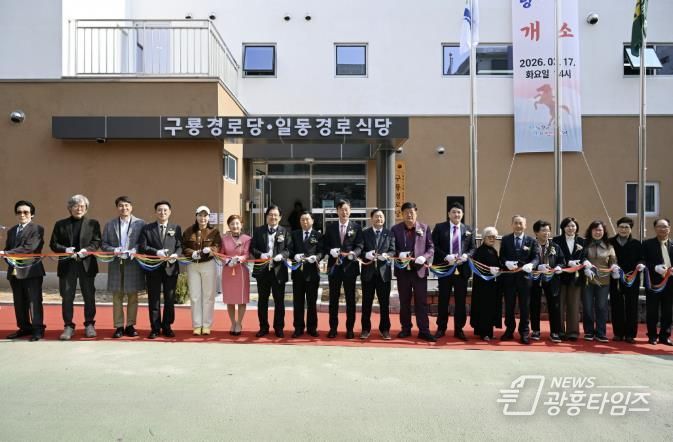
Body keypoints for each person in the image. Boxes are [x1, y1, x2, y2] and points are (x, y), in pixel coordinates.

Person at [49, 194, 101, 340]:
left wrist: (86, 250)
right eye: (76, 206)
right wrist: (65, 250)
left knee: (89, 296)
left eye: (82, 206)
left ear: (86, 208)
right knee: (67, 296)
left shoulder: (93, 223)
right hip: (67, 264)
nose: (79, 209)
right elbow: (53, 244)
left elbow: (96, 241)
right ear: (70, 208)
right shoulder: (60, 224)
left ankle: (89, 324)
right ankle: (68, 326)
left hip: (86, 264)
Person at [391, 202, 436, 342]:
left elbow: (431, 248)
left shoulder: (425, 228)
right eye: (406, 212)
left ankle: (424, 330)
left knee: (421, 302)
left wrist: (425, 257)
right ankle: (405, 329)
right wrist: (399, 254)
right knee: (404, 301)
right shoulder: (395, 229)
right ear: (402, 214)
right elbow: (391, 248)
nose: (409, 215)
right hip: (403, 271)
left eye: (412, 212)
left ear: (416, 213)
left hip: (419, 270)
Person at [101, 196, 145, 338]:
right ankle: (119, 326)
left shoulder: (140, 223)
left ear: (131, 207)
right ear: (117, 208)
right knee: (117, 297)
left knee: (133, 296)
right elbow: (104, 244)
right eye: (121, 205)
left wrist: (135, 250)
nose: (124, 208)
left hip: (133, 263)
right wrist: (113, 250)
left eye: (126, 205)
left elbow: (144, 242)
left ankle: (130, 325)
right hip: (116, 263)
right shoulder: (110, 224)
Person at [1, 200, 45, 341]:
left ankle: (38, 330)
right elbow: (8, 248)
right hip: (14, 272)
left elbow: (30, 248)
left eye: (26, 212)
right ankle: (24, 328)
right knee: (19, 302)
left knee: (34, 301)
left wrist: (6, 253)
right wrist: (7, 257)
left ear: (32, 214)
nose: (22, 215)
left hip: (31, 271)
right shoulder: (12, 231)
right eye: (19, 212)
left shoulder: (37, 229)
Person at [431, 202, 475, 340]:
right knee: (443, 299)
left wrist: (466, 255)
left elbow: (473, 248)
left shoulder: (468, 229)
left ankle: (459, 329)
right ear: (449, 214)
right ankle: (441, 328)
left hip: (462, 270)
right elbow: (433, 245)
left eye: (459, 212)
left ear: (462, 214)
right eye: (454, 212)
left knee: (460, 301)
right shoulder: (440, 227)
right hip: (445, 268)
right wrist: (445, 256)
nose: (456, 214)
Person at [138, 201, 182, 339]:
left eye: (165, 210)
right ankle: (155, 328)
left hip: (171, 268)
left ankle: (167, 326)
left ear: (170, 212)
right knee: (154, 299)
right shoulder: (147, 228)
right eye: (159, 210)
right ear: (155, 212)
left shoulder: (176, 228)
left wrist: (176, 255)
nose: (162, 212)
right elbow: (142, 247)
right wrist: (156, 252)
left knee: (169, 299)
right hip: (153, 268)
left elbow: (180, 246)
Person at [322, 199, 363, 339]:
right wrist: (330, 251)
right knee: (333, 299)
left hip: (350, 267)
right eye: (341, 209)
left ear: (350, 211)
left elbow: (360, 245)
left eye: (347, 209)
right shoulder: (331, 227)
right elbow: (324, 244)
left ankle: (350, 329)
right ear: (337, 211)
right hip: (334, 267)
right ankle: (333, 328)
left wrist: (354, 253)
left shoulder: (356, 227)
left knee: (350, 299)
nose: (344, 212)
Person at [499, 215, 541, 344]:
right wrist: (506, 263)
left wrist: (531, 265)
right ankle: (509, 330)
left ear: (525, 225)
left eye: (521, 223)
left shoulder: (531, 240)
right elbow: (501, 256)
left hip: (525, 278)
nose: (518, 225)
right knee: (509, 306)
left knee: (525, 307)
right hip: (509, 278)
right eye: (516, 223)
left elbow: (536, 257)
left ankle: (524, 332)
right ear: (512, 224)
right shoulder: (505, 239)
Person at [251, 205, 291, 338]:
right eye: (270, 214)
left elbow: (289, 249)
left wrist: (282, 255)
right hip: (262, 271)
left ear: (280, 217)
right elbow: (252, 248)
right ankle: (263, 327)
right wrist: (260, 255)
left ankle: (279, 327)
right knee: (262, 300)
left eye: (275, 215)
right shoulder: (258, 231)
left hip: (278, 271)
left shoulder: (285, 231)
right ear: (266, 216)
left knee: (279, 301)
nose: (273, 217)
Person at [182, 205, 222, 336]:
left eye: (205, 215)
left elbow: (218, 246)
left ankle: (206, 325)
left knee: (208, 296)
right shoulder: (189, 231)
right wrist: (191, 253)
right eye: (200, 215)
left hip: (208, 264)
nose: (203, 218)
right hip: (193, 265)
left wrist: (211, 250)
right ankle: (197, 325)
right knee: (195, 296)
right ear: (196, 216)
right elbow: (183, 246)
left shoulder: (214, 231)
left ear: (209, 217)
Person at [360, 209, 396, 340]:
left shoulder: (389, 233)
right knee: (366, 303)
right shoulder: (365, 233)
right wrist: (366, 254)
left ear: (384, 219)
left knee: (384, 303)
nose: (379, 219)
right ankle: (365, 329)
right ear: (371, 218)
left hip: (383, 274)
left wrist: (387, 255)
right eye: (376, 216)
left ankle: (385, 329)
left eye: (381, 217)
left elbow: (393, 250)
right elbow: (360, 250)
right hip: (368, 273)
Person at [581, 220, 619, 343]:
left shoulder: (609, 246)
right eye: (595, 230)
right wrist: (585, 265)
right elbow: (581, 258)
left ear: (604, 232)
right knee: (587, 307)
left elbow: (613, 261)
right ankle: (588, 331)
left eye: (600, 230)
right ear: (590, 231)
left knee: (602, 307)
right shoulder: (585, 244)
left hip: (604, 281)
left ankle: (601, 333)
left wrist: (614, 267)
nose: (597, 232)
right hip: (588, 280)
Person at [609, 217, 644, 343]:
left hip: (632, 279)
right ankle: (618, 333)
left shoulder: (636, 243)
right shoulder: (610, 242)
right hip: (615, 278)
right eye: (621, 227)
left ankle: (630, 334)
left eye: (627, 227)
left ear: (630, 229)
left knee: (631, 305)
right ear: (617, 228)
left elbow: (641, 258)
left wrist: (640, 264)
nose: (623, 229)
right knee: (616, 305)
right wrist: (612, 268)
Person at [288, 211, 323, 338]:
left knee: (311, 302)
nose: (305, 222)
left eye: (307, 219)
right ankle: (298, 328)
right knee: (298, 302)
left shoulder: (318, 235)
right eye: (302, 219)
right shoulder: (294, 234)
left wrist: (317, 257)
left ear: (312, 220)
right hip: (298, 273)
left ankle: (312, 328)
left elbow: (322, 251)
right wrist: (294, 256)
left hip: (312, 273)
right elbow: (289, 250)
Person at [529, 220, 565, 343]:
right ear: (536, 232)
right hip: (535, 279)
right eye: (543, 230)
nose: (546, 233)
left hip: (552, 279)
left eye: (548, 231)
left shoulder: (555, 246)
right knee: (534, 304)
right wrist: (536, 267)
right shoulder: (530, 246)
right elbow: (526, 261)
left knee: (554, 305)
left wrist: (559, 267)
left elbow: (562, 261)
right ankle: (535, 330)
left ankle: (555, 332)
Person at [552, 216, 585, 341]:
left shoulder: (582, 241)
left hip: (575, 277)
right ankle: (559, 331)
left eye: (573, 226)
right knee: (559, 305)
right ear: (563, 228)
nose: (571, 228)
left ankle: (572, 332)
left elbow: (585, 256)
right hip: (560, 276)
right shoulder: (556, 240)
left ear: (576, 227)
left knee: (574, 305)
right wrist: (567, 263)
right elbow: (554, 257)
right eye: (568, 226)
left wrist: (582, 263)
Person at [642, 218, 673, 346]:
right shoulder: (647, 244)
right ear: (655, 228)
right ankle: (652, 335)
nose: (662, 229)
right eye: (659, 226)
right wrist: (655, 267)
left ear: (669, 228)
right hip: (653, 283)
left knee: (668, 311)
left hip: (670, 283)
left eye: (665, 226)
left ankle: (665, 336)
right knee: (652, 311)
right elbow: (643, 261)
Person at [220, 214, 251, 336]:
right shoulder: (224, 239)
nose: (235, 226)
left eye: (237, 223)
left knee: (241, 299)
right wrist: (227, 260)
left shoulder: (246, 239)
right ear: (229, 226)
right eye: (232, 224)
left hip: (241, 271)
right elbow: (221, 254)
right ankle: (233, 322)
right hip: (228, 270)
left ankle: (239, 323)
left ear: (241, 225)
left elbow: (247, 254)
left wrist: (239, 259)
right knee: (230, 299)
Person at [469, 226, 501, 341]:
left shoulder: (494, 250)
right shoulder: (479, 251)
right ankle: (484, 333)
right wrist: (488, 270)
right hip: (482, 285)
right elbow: (477, 267)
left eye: (494, 237)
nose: (492, 239)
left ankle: (489, 332)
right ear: (484, 237)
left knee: (491, 308)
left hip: (492, 285)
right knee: (483, 308)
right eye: (490, 237)